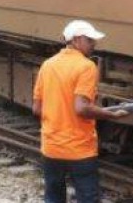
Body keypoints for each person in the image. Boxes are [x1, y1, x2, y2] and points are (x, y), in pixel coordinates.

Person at [32, 20, 128, 203]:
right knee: (88, 198)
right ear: (76, 40)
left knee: (53, 197)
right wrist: (111, 114)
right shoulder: (86, 66)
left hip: (51, 147)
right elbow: (82, 108)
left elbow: (36, 108)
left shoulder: (48, 65)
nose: (94, 44)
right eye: (90, 40)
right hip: (79, 149)